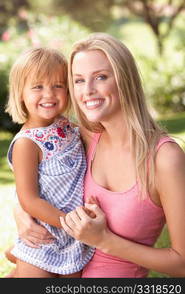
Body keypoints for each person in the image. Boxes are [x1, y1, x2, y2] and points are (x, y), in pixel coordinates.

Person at [7, 33, 185, 278]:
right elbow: (41, 176)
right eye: (78, 80)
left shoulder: (164, 158)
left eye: (100, 77)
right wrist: (22, 212)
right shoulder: (83, 139)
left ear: (126, 80)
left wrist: (104, 240)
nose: (87, 91)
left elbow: (182, 263)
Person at [4, 47, 94, 278]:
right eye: (37, 86)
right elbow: (29, 199)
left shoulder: (68, 127)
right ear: (20, 93)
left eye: (58, 85)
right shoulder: (27, 144)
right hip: (44, 240)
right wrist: (70, 223)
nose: (49, 94)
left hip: (75, 242)